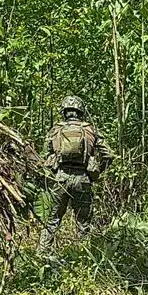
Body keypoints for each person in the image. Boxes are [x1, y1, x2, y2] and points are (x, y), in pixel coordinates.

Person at [38, 95, 114, 248]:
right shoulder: (90, 130)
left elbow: (44, 155)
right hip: (83, 179)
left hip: (61, 178)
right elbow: (109, 155)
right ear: (81, 111)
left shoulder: (56, 130)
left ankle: (42, 254)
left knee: (52, 220)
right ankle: (82, 256)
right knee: (83, 223)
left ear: (64, 111)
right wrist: (97, 172)